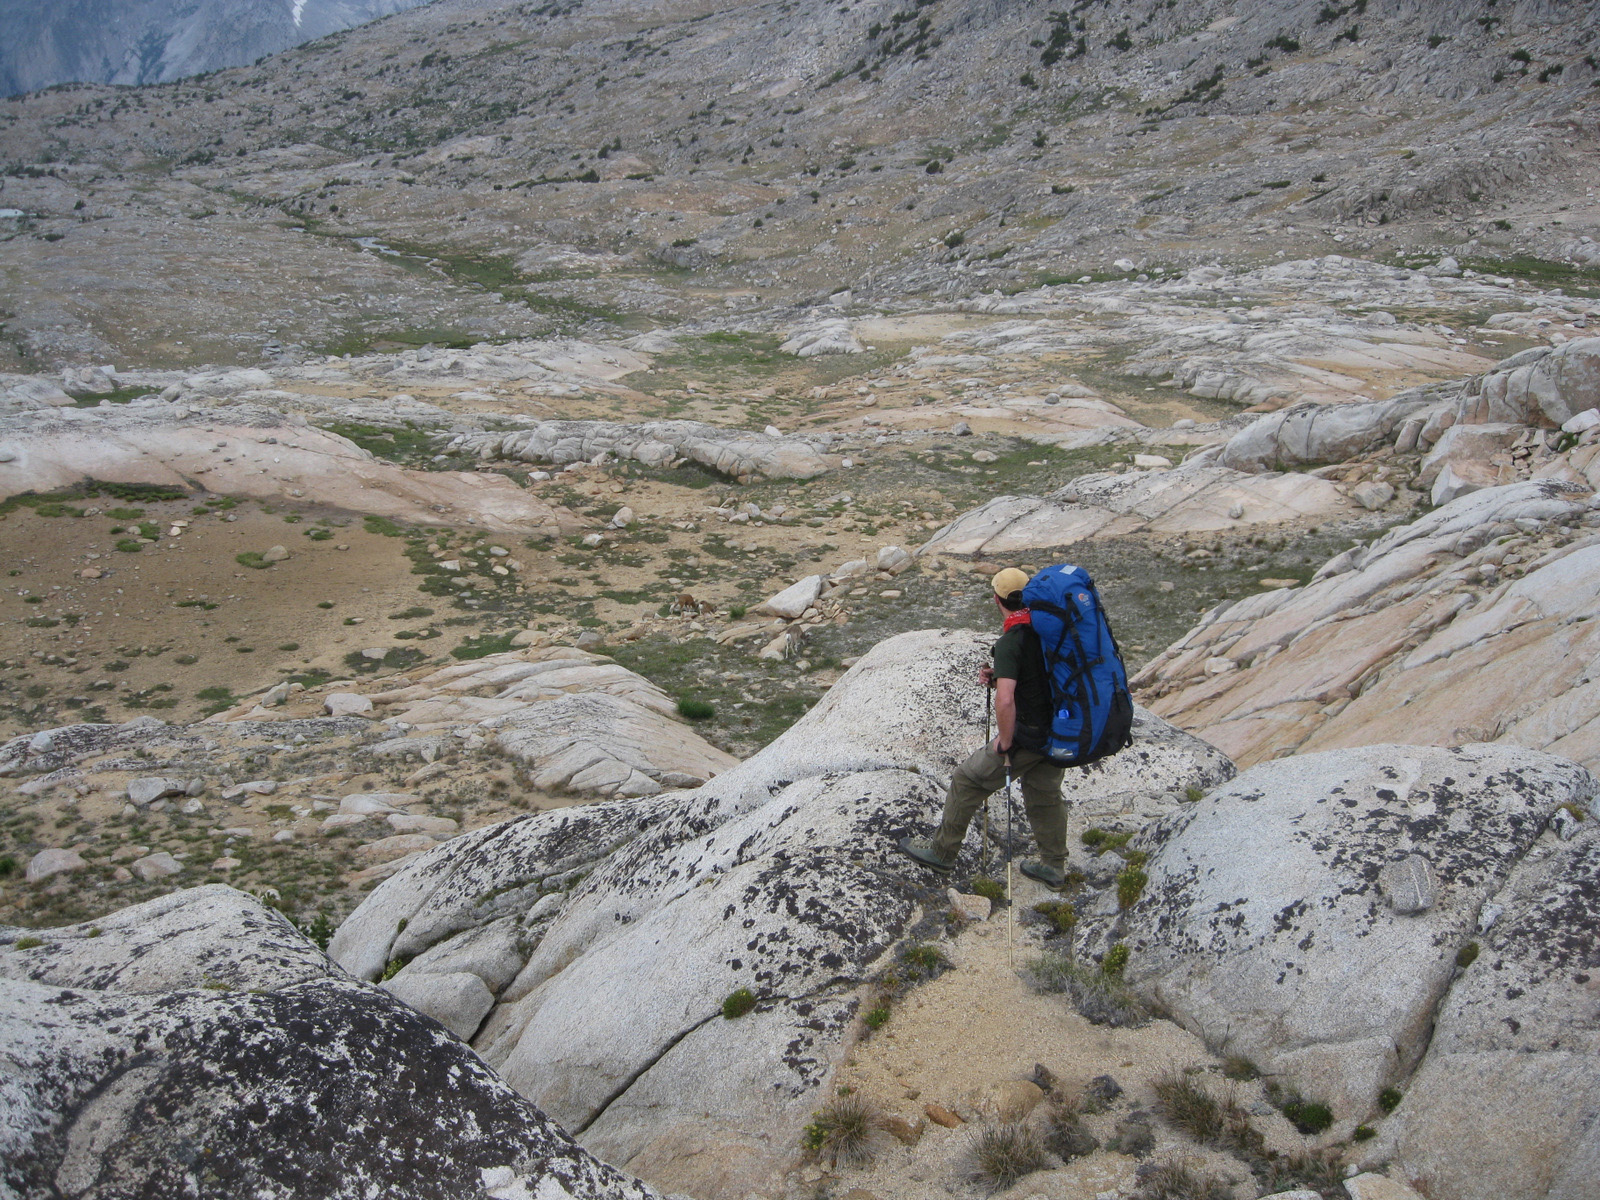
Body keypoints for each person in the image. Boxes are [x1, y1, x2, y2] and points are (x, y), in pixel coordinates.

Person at [897, 567, 1068, 890]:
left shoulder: (1012, 641)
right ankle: (1054, 866)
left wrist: (1005, 741)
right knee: (1045, 795)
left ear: (996, 599)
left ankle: (942, 853)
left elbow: (1006, 700)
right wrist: (1001, 676)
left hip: (1028, 735)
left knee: (967, 780)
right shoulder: (1049, 630)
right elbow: (1039, 678)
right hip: (1059, 728)